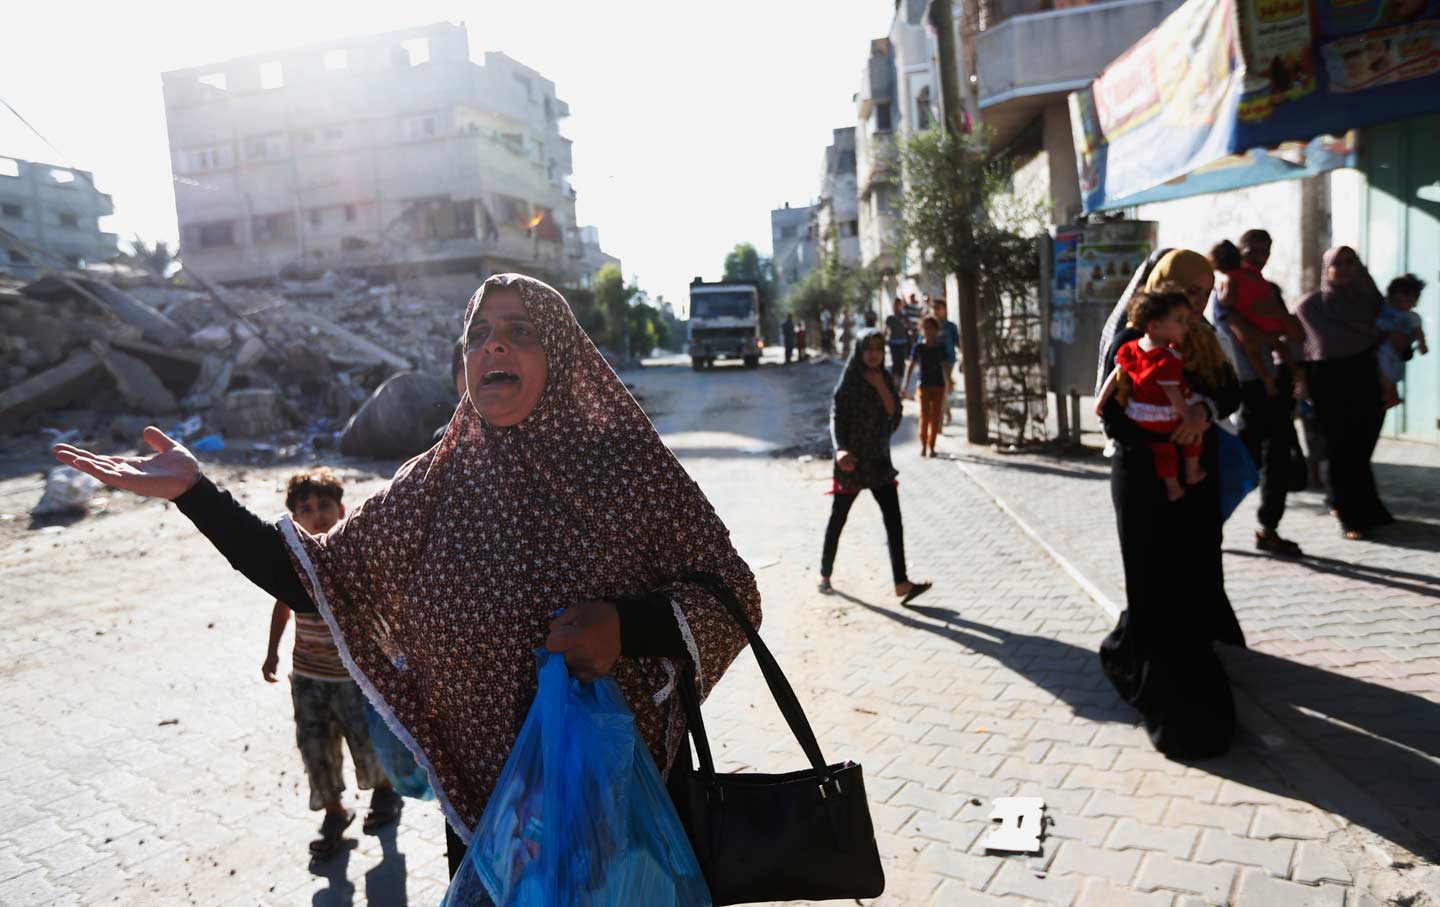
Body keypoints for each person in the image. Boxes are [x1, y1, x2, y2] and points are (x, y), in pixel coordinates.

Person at [55, 274, 763, 879]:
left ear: (564, 353)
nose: (493, 344)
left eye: (519, 330)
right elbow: (319, 580)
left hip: (623, 808)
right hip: (489, 824)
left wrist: (627, 626)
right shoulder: (431, 486)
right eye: (479, 332)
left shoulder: (628, 469)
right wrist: (196, 494)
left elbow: (734, 596)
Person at [1096, 249, 1244, 761]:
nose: (1196, 303)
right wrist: (1164, 431)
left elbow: (1229, 393)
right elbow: (1112, 415)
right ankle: (1165, 704)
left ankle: (1200, 695)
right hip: (1144, 479)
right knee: (1154, 587)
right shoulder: (1132, 341)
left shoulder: (1205, 338)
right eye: (1186, 293)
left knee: (1191, 583)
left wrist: (1201, 412)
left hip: (1195, 480)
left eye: (1204, 293)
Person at [262, 468, 402, 858]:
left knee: (367, 740)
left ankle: (386, 794)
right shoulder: (294, 560)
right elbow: (283, 605)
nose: (316, 514)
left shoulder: (349, 555)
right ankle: (334, 812)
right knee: (314, 747)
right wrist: (272, 651)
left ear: (341, 509)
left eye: (324, 505)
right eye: (305, 508)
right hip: (307, 675)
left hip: (352, 676)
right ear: (294, 517)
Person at [820, 329, 932, 605]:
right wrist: (840, 449)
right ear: (859, 351)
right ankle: (825, 573)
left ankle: (901, 582)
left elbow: (894, 417)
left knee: (894, 522)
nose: (873, 354)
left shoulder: (885, 379)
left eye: (878, 349)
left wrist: (882, 388)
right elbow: (835, 415)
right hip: (852, 464)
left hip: (879, 462)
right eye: (868, 348)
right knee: (838, 518)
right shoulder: (849, 381)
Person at [1296, 247, 1393, 539]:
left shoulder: (1372, 303)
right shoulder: (1310, 306)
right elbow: (1296, 347)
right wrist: (1299, 382)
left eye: (1351, 262)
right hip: (1329, 383)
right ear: (1327, 268)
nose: (1345, 268)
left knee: (1361, 448)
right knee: (1339, 451)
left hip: (1366, 379)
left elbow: (1391, 342)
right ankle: (1348, 516)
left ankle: (1369, 507)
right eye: (1338, 263)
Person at [1096, 291, 1207, 501]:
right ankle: (1192, 471)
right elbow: (1173, 394)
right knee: (1193, 438)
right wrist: (1189, 419)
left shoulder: (1131, 348)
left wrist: (1100, 401)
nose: (1186, 326)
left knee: (1163, 452)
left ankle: (1172, 486)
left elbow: (1116, 375)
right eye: (1179, 321)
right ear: (1154, 326)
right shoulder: (1165, 360)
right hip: (1166, 414)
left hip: (1141, 414)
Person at [1210, 234, 1304, 396]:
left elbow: (1298, 335)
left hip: (1267, 374)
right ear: (1240, 252)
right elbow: (1246, 335)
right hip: (1244, 380)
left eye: (1264, 252)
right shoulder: (1236, 284)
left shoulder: (1262, 286)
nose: (1259, 257)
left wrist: (1277, 317)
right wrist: (1275, 334)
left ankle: (1289, 377)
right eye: (1252, 251)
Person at [1378, 273, 1428, 408]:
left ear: (1415, 301)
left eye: (1408, 301)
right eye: (1397, 301)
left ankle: (1390, 396)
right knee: (1384, 373)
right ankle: (1391, 396)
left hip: (1395, 352)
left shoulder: (1412, 317)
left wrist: (1422, 345)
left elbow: (1419, 332)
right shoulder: (1385, 308)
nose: (1402, 305)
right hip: (1383, 347)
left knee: (1388, 374)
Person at [904, 316, 948, 458]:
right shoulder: (919, 347)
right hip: (923, 385)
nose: (929, 331)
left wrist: (950, 381)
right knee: (924, 416)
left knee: (935, 418)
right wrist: (905, 383)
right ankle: (923, 445)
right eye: (926, 328)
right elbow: (911, 365)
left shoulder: (941, 346)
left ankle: (932, 446)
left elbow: (945, 365)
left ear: (936, 329)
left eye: (931, 328)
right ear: (922, 330)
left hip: (939, 384)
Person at [930, 299, 961, 427]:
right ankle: (945, 412)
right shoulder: (930, 326)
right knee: (941, 389)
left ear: (944, 310)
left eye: (939, 308)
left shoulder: (951, 326)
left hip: (949, 361)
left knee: (943, 388)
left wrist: (964, 360)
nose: (936, 311)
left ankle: (940, 418)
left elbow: (958, 343)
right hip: (934, 362)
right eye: (934, 308)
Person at [885, 297, 912, 382]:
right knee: (895, 362)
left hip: (903, 342)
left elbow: (909, 327)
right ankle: (893, 381)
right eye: (895, 305)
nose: (897, 307)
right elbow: (886, 330)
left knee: (901, 362)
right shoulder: (890, 318)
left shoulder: (904, 316)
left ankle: (900, 382)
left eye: (899, 305)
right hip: (893, 342)